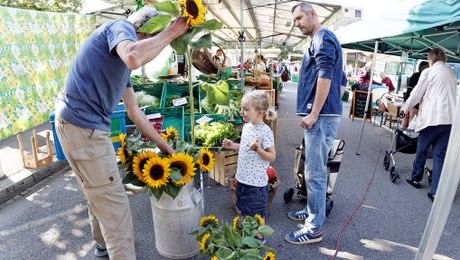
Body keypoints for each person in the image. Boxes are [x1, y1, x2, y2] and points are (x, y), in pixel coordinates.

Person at [54, 6, 188, 259]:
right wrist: (172, 32)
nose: (154, 49)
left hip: (75, 127)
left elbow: (135, 112)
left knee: (98, 193)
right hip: (85, 130)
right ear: (145, 31)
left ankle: (103, 245)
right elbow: (135, 56)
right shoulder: (120, 27)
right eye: (153, 40)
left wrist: (165, 147)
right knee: (116, 211)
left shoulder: (122, 64)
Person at [285, 3, 342, 244]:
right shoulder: (318, 39)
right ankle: (312, 212)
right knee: (312, 170)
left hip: (321, 116)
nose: (297, 23)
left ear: (312, 14)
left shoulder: (322, 38)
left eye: (300, 18)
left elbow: (326, 75)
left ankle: (314, 228)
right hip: (322, 115)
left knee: (315, 173)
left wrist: (315, 112)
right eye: (294, 20)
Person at [402, 48, 456, 202]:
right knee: (439, 155)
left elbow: (416, 93)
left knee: (422, 149)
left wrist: (405, 108)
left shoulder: (429, 72)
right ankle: (436, 191)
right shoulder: (451, 73)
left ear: (430, 60)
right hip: (449, 120)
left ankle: (416, 178)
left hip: (432, 118)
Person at [222, 90, 276, 238]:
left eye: (246, 109)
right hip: (242, 179)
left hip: (256, 184)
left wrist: (258, 149)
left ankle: (259, 239)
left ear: (260, 112)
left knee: (257, 215)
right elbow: (245, 147)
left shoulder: (266, 131)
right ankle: (247, 237)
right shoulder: (246, 127)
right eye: (242, 108)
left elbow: (272, 156)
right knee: (244, 210)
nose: (242, 112)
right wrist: (233, 145)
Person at [401, 61, 430, 128]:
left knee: (404, 118)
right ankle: (408, 136)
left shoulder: (414, 75)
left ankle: (400, 134)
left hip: (407, 100)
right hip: (415, 103)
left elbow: (409, 87)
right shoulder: (423, 76)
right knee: (411, 121)